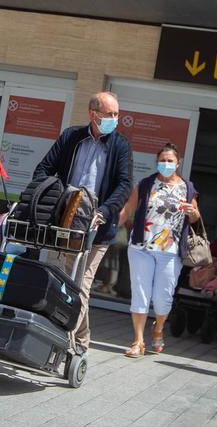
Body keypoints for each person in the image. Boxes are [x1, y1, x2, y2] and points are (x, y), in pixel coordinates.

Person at [32, 91, 133, 352]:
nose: (115, 118)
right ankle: (83, 339)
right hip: (65, 223)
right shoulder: (71, 137)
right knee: (66, 283)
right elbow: (44, 169)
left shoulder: (120, 146)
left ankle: (64, 343)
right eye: (110, 114)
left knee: (81, 287)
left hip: (96, 229)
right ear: (93, 114)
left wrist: (106, 211)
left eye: (116, 114)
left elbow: (124, 185)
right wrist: (51, 198)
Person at [117, 143, 200, 357]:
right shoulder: (146, 184)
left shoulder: (187, 188)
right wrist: (110, 226)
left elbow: (196, 217)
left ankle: (158, 327)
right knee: (140, 294)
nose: (165, 164)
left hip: (171, 251)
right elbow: (128, 209)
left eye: (169, 160)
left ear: (178, 163)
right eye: (162, 160)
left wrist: (192, 213)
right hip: (141, 247)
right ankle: (137, 341)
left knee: (163, 298)